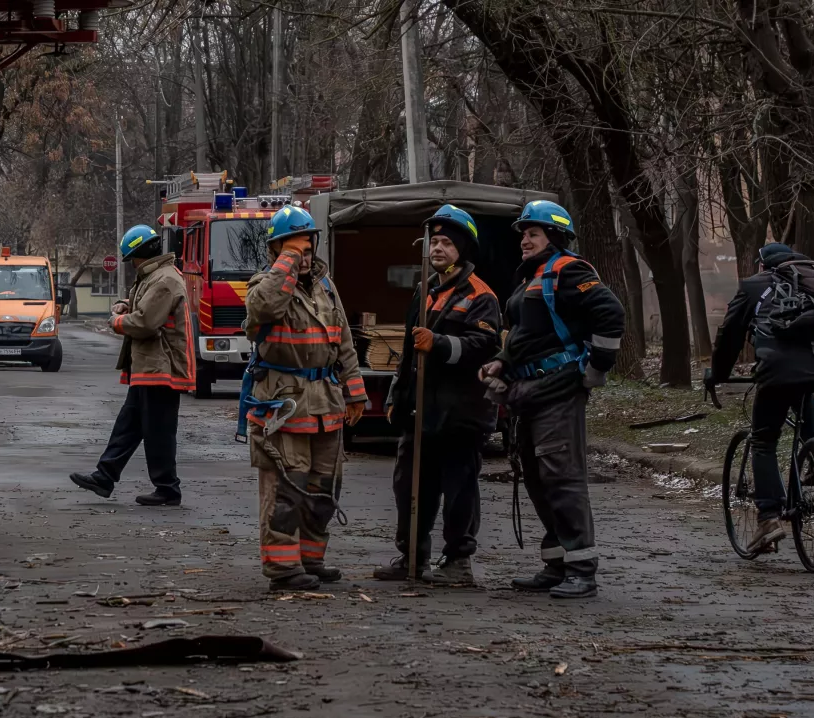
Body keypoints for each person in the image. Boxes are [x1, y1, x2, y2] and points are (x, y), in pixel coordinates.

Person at [480, 200, 624, 599]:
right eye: (524, 234)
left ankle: (582, 569)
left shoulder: (568, 270)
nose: (524, 239)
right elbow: (525, 339)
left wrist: (595, 369)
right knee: (540, 480)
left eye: (533, 233)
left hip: (559, 389)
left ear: (555, 237)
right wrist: (501, 366)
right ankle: (557, 563)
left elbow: (611, 314)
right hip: (529, 393)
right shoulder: (532, 277)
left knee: (561, 479)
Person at [374, 204, 502, 585]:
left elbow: (485, 345)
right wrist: (399, 394)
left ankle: (459, 562)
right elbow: (410, 354)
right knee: (411, 486)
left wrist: (442, 344)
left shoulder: (481, 296)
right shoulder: (424, 291)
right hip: (421, 412)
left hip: (461, 414)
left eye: (446, 242)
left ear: (463, 248)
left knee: (458, 488)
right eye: (434, 241)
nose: (438, 248)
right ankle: (412, 558)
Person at [242, 205, 367, 591]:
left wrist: (355, 389)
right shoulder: (264, 284)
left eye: (307, 244)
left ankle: (310, 558)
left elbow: (343, 339)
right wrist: (289, 262)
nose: (304, 253)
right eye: (294, 246)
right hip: (284, 403)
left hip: (326, 403)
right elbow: (264, 308)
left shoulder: (327, 287)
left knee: (323, 489)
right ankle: (282, 569)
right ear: (277, 249)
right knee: (286, 489)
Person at [706, 242, 814, 552]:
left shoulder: (754, 287)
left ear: (763, 266)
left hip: (777, 372)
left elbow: (730, 336)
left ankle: (768, 518)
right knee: (802, 390)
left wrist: (718, 372)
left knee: (763, 441)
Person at [70, 224, 195, 506]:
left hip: (161, 369)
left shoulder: (163, 280)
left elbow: (146, 322)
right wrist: (127, 303)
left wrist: (117, 322)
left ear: (140, 253)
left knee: (159, 431)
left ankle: (167, 488)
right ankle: (105, 476)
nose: (132, 264)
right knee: (128, 426)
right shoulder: (155, 277)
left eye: (132, 258)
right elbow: (147, 307)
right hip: (149, 368)